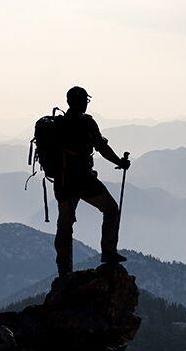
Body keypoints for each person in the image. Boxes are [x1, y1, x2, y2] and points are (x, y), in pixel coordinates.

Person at [53, 86, 130, 276]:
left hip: (63, 181)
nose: (87, 104)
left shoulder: (58, 124)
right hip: (84, 179)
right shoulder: (87, 123)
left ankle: (64, 271)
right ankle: (109, 252)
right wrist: (120, 162)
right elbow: (102, 147)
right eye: (85, 101)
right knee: (111, 209)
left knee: (65, 224)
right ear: (81, 102)